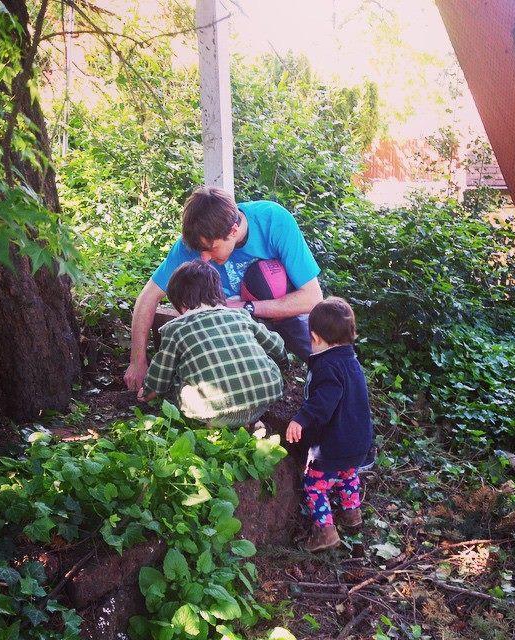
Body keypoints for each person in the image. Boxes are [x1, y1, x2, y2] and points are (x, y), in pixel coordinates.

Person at [124, 187, 323, 392]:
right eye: (200, 251)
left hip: (282, 311)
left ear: (233, 231)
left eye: (211, 248)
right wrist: (137, 361)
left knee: (329, 353)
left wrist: (245, 307)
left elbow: (312, 298)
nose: (204, 258)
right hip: (231, 326)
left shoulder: (274, 221)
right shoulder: (193, 244)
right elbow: (148, 296)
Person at [138, 260, 288, 426]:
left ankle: (213, 427)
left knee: (175, 383)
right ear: (218, 292)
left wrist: (147, 393)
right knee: (266, 361)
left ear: (181, 304)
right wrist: (283, 363)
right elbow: (277, 347)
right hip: (263, 399)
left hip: (212, 413)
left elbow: (161, 373)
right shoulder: (241, 315)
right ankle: (252, 422)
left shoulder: (175, 330)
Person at [286, 297, 373, 552]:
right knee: (348, 474)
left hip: (334, 443)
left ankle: (325, 530)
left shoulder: (326, 366)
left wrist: (300, 419)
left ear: (314, 337)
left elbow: (323, 402)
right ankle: (351, 514)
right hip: (359, 441)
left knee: (314, 484)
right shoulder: (352, 362)